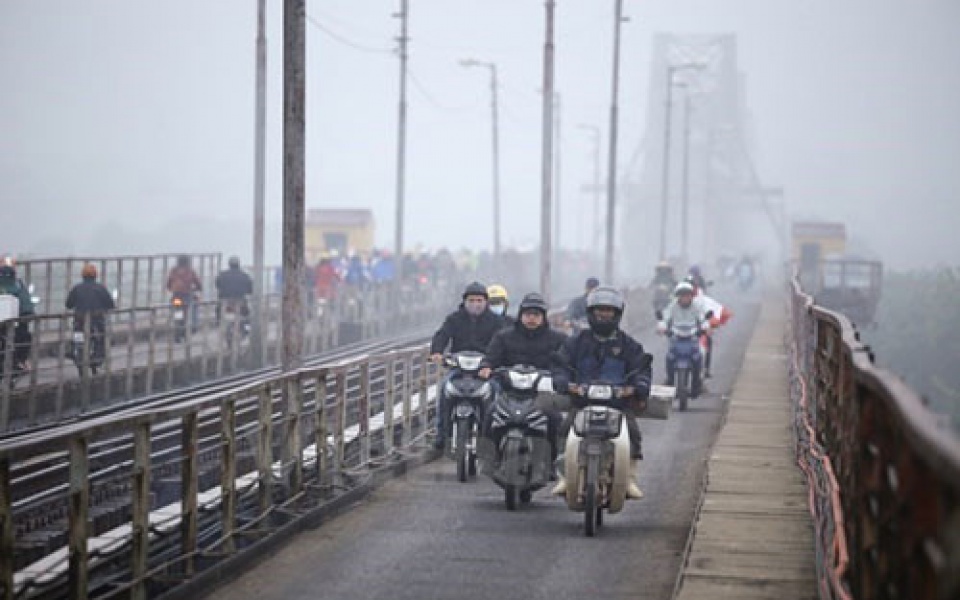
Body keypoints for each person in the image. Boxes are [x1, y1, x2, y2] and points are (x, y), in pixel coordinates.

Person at [551, 286, 652, 499]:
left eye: (608, 311)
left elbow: (641, 368)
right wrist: (562, 381)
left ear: (617, 314)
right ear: (591, 313)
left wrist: (639, 386)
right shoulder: (576, 343)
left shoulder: (629, 345)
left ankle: (630, 478)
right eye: (599, 311)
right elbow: (561, 364)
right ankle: (564, 476)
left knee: (633, 431)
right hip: (582, 402)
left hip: (618, 404)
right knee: (564, 429)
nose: (604, 315)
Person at [478, 292, 567, 463]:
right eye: (527, 314)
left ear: (543, 317)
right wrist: (486, 367)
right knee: (490, 413)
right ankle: (490, 455)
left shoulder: (557, 339)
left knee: (555, 419)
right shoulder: (504, 336)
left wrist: (561, 378)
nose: (531, 318)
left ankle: (553, 459)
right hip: (510, 392)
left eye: (536, 315)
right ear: (520, 315)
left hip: (542, 394)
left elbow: (566, 363)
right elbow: (491, 356)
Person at [429, 282, 508, 449]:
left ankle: (494, 434)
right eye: (471, 300)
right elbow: (442, 335)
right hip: (460, 367)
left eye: (479, 300)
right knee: (444, 389)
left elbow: (503, 341)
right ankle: (442, 434)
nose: (475, 304)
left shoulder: (496, 321)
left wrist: (495, 361)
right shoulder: (454, 319)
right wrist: (436, 351)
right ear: (464, 301)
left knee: (496, 390)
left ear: (486, 302)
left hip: (486, 369)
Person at [656, 281, 711, 391]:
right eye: (682, 295)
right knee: (670, 357)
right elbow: (665, 318)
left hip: (692, 338)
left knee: (700, 354)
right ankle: (669, 379)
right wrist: (662, 327)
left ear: (691, 295)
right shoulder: (672, 306)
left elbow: (703, 319)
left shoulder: (696, 307)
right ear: (678, 296)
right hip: (676, 338)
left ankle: (699, 380)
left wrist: (705, 327)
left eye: (687, 295)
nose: (685, 297)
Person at [65, 263, 116, 363]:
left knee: (77, 334)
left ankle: (73, 349)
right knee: (101, 336)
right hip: (97, 320)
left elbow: (68, 304)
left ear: (83, 275)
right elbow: (110, 305)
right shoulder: (101, 288)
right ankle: (98, 355)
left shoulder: (77, 288)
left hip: (80, 319)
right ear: (95, 275)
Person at [0, 264, 35, 376]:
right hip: (16, 327)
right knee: (26, 336)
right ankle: (22, 361)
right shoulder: (19, 287)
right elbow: (27, 308)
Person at [166, 255, 203, 329]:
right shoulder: (190, 271)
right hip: (186, 295)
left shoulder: (173, 271)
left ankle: (177, 326)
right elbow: (198, 284)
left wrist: (172, 289)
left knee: (177, 309)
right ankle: (193, 325)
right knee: (191, 306)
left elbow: (168, 284)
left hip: (176, 296)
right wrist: (196, 289)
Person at [215, 256, 254, 324]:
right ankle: (246, 328)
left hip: (225, 302)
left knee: (218, 311)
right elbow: (250, 290)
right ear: (238, 264)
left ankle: (218, 324)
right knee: (246, 315)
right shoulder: (245, 276)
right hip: (240, 302)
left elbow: (217, 286)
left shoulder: (222, 275)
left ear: (229, 264)